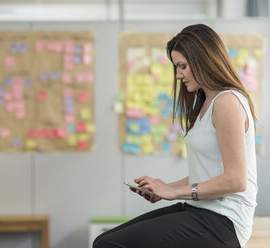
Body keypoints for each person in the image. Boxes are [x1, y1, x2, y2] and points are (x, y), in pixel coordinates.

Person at [93, 23, 257, 248]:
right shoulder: (206, 103)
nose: (178, 75)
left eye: (182, 66)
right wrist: (163, 188)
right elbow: (210, 173)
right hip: (202, 210)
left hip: (224, 221)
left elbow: (236, 180)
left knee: (109, 245)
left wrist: (173, 192)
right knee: (102, 241)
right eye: (176, 67)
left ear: (204, 59)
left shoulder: (227, 101)